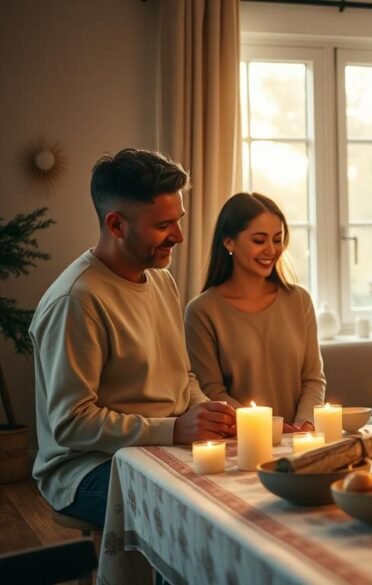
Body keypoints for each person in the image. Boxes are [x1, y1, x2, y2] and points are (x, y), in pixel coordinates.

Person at [31, 148, 234, 528]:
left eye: (179, 220)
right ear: (116, 225)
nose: (179, 236)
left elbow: (182, 376)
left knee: (244, 487)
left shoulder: (160, 277)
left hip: (163, 446)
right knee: (193, 510)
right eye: (162, 226)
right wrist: (174, 429)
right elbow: (72, 423)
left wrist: (210, 415)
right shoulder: (76, 300)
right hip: (87, 469)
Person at [185, 193, 325, 430]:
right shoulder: (202, 311)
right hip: (239, 440)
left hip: (299, 436)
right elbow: (212, 391)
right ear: (229, 242)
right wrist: (267, 426)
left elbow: (313, 378)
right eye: (259, 240)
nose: (271, 250)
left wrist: (304, 423)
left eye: (278, 239)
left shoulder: (299, 301)